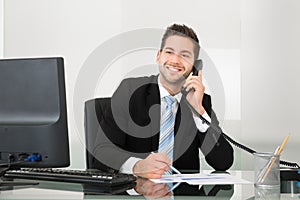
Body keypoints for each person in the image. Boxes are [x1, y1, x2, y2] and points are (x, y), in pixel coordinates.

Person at [93, 24, 234, 179]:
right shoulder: (129, 90)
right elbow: (101, 151)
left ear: (195, 66)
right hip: (135, 192)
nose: (175, 60)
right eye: (169, 52)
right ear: (158, 56)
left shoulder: (199, 101)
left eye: (185, 55)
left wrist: (198, 112)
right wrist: (137, 166)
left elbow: (223, 162)